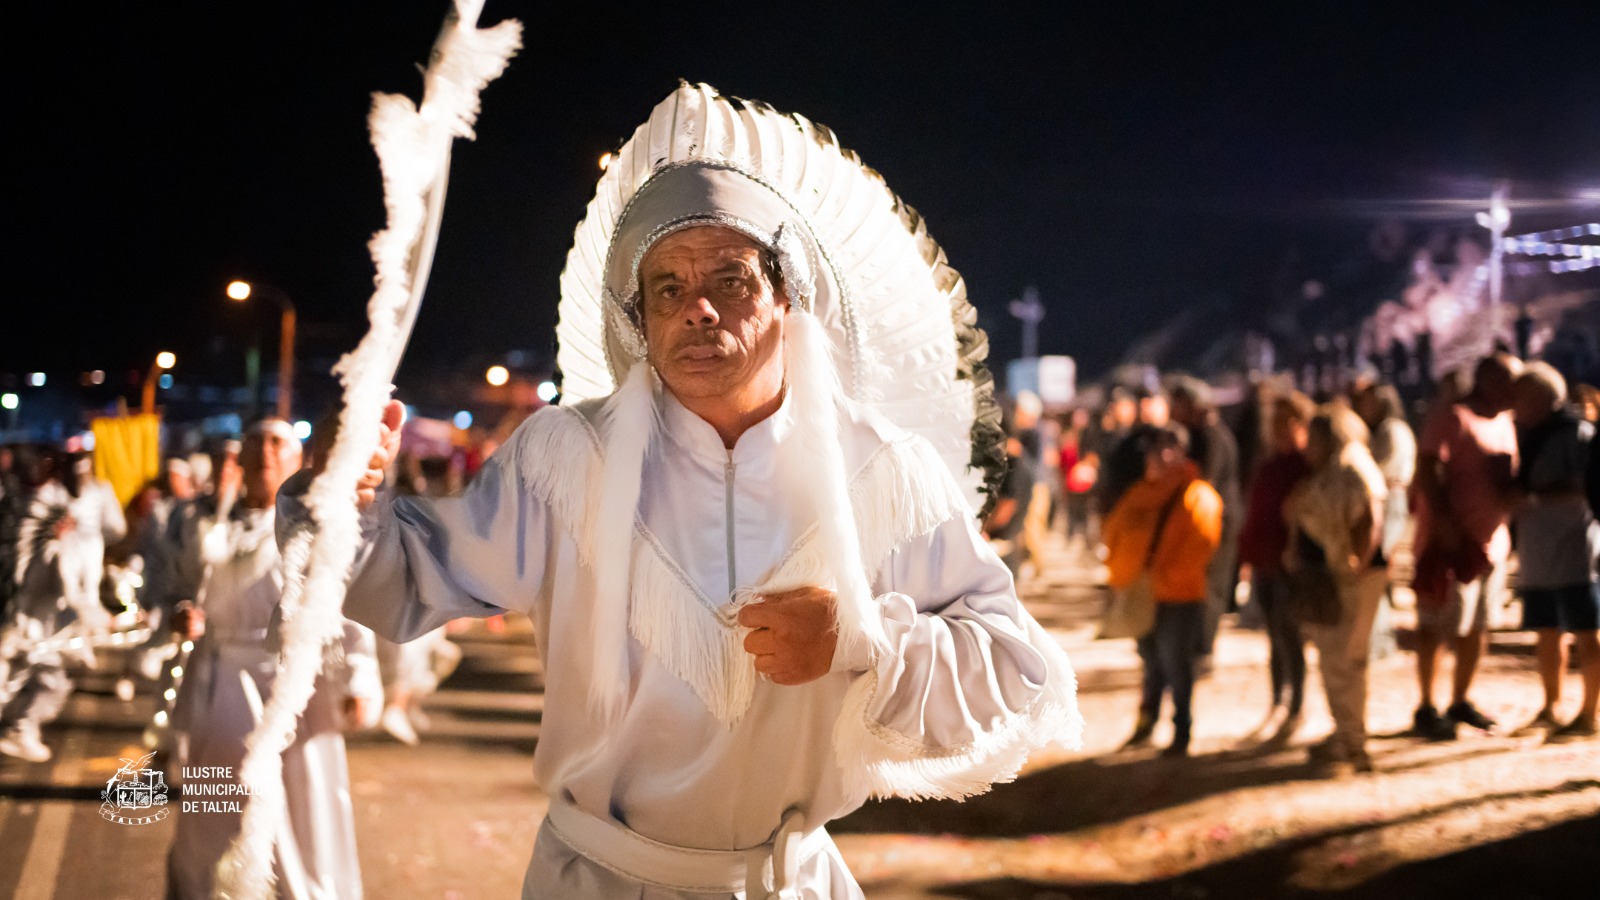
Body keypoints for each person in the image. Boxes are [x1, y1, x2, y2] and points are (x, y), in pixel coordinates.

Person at [297, 84, 1081, 899]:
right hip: (597, 881)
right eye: (666, 289)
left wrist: (861, 641)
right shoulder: (567, 458)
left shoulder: (882, 470)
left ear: (788, 296)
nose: (697, 310)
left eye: (730, 279)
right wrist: (338, 498)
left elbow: (1016, 669)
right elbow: (403, 578)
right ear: (640, 321)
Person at [164, 421, 381, 899]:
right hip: (220, 688)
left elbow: (347, 602)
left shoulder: (316, 524)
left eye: (277, 443)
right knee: (209, 816)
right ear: (238, 458)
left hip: (294, 691)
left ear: (296, 460)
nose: (265, 451)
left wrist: (359, 678)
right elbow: (179, 588)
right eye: (255, 442)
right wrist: (181, 613)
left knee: (301, 821)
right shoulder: (206, 524)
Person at [1411, 353, 1522, 740]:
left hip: (1492, 543)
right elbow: (1427, 466)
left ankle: (1460, 699)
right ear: (1489, 381)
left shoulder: (1506, 422)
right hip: (1452, 544)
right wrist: (1443, 521)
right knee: (1438, 626)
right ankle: (1427, 705)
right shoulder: (1452, 417)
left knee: (1478, 626)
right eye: (1511, 381)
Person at [1103, 424, 1223, 758]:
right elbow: (1113, 533)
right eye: (1156, 449)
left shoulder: (1198, 495)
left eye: (1167, 448)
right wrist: (1123, 575)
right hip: (1142, 594)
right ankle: (1147, 722)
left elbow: (1200, 547)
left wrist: (1156, 573)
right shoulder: (1140, 492)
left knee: (1175, 663)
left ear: (1182, 452)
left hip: (1179, 596)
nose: (1159, 456)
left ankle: (1181, 729)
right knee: (1151, 662)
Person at [0, 448, 126, 763]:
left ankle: (20, 728)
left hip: (35, 621)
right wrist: (101, 618)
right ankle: (20, 729)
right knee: (45, 682)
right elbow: (69, 593)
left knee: (27, 679)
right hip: (30, 625)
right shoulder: (55, 548)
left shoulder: (55, 533)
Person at [1285, 407, 1388, 774]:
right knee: (1339, 661)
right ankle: (1346, 735)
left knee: (1344, 661)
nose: (1306, 447)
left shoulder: (1351, 468)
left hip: (1345, 577)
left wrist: (1355, 563)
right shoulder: (1340, 468)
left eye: (1312, 438)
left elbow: (1369, 518)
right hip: (1333, 575)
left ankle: (1352, 742)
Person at [1508, 363, 1598, 739]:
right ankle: (1551, 705)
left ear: (1542, 397)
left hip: (1574, 550)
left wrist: (1530, 497)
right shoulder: (1530, 434)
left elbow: (1586, 486)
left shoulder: (1578, 434)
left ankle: (1590, 712)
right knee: (1546, 630)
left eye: (1521, 395)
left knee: (1586, 631)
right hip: (1539, 552)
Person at [1236, 391, 1314, 745]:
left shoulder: (1306, 466)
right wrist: (1247, 559)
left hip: (1289, 566)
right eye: (1275, 421)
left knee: (1292, 638)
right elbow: (1255, 516)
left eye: (1287, 421)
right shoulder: (1268, 465)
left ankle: (1297, 707)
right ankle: (1277, 703)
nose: (1279, 429)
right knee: (1274, 640)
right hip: (1264, 563)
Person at [1168, 375, 1242, 656]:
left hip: (1217, 523)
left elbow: (1204, 483)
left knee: (1212, 587)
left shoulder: (1211, 436)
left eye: (1178, 405)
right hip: (1206, 522)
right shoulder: (1199, 434)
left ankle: (1204, 649)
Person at [1353, 381, 1415, 661]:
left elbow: (1380, 469)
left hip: (1387, 499)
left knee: (1375, 567)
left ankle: (1377, 640)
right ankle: (1375, 638)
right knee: (1375, 570)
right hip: (1386, 498)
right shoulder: (1388, 430)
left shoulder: (1392, 431)